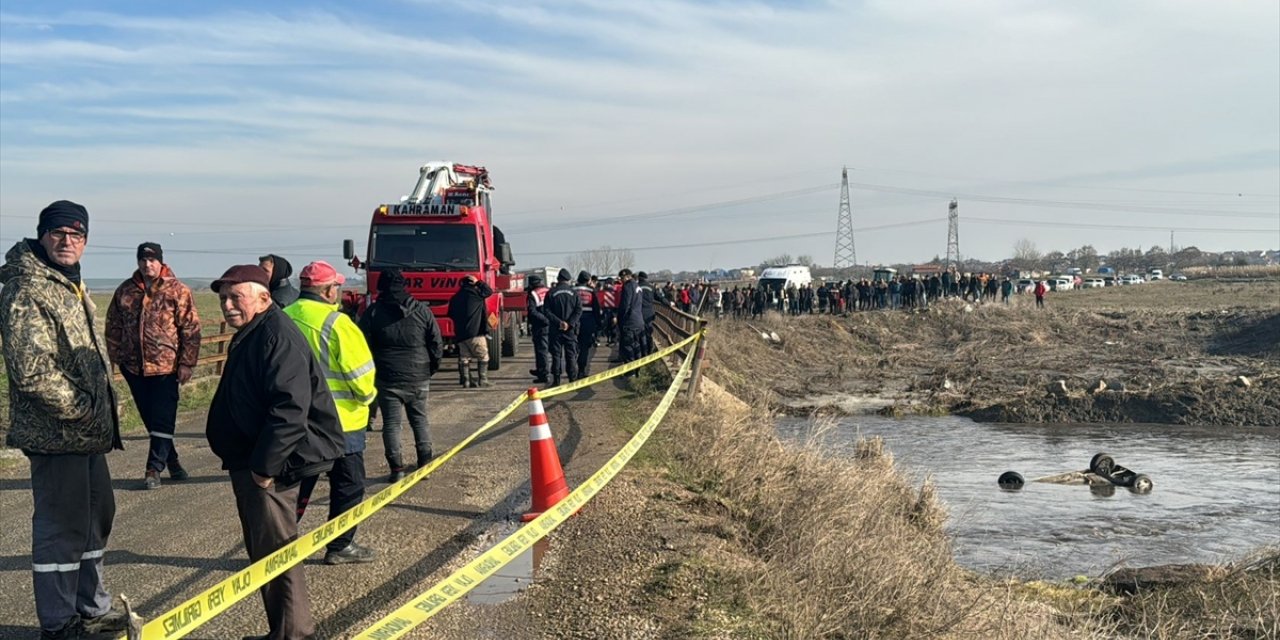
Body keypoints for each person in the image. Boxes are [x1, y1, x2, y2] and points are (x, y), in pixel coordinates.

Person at [0, 201, 130, 639]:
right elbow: (32, 371)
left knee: (96, 518)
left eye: (76, 234)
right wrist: (84, 410)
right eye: (57, 233)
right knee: (61, 528)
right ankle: (58, 623)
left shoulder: (69, 283)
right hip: (57, 434)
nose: (67, 241)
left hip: (87, 435)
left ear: (86, 240)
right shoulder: (27, 288)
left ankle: (91, 607)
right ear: (42, 235)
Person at [206, 264, 344, 640]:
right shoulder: (254, 331)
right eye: (223, 299)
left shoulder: (274, 335)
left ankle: (293, 635)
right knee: (266, 554)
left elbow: (289, 409)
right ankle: (284, 632)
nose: (228, 306)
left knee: (277, 555)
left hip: (269, 467)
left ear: (264, 298)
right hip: (252, 461)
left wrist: (264, 469)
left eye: (237, 297)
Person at [283, 261, 379, 565]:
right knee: (348, 485)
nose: (338, 291)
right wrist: (369, 398)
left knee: (296, 485)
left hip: (295, 421)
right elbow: (361, 376)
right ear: (327, 291)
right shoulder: (337, 324)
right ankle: (340, 545)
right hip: (342, 422)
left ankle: (281, 545)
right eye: (335, 286)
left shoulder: (282, 318)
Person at [106, 242, 202, 490]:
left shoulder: (178, 291)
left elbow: (191, 330)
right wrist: (112, 359)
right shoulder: (125, 291)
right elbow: (113, 325)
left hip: (166, 367)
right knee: (150, 417)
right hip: (133, 367)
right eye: (143, 260)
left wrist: (187, 363)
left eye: (152, 260)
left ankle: (153, 468)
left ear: (160, 261)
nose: (147, 265)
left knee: (163, 416)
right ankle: (173, 462)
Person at [360, 268, 443, 483]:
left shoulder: (374, 312)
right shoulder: (422, 311)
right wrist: (431, 368)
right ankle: (424, 465)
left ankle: (396, 469)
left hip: (386, 376)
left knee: (391, 424)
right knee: (420, 420)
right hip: (418, 374)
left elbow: (362, 344)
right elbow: (436, 342)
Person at [446, 273, 494, 388]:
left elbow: (450, 314)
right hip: (476, 332)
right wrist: (478, 282)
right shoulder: (476, 295)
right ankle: (483, 379)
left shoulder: (455, 298)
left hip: (461, 334)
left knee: (464, 358)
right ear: (472, 284)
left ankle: (466, 381)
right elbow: (489, 291)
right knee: (483, 356)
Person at [544, 268, 582, 386]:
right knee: (570, 354)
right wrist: (569, 323)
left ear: (558, 279)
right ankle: (572, 379)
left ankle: (556, 380)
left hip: (556, 329)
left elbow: (546, 311)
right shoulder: (574, 293)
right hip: (570, 330)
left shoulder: (551, 293)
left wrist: (559, 322)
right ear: (568, 280)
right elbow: (578, 310)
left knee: (556, 356)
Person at [572, 271, 601, 377]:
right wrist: (598, 324)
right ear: (588, 281)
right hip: (588, 322)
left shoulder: (572, 291)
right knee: (584, 348)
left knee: (574, 346)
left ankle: (572, 369)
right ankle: (581, 370)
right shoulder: (591, 291)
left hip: (573, 322)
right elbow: (596, 309)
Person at [615, 268, 645, 367]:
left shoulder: (627, 287)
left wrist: (619, 319)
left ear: (627, 276)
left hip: (629, 321)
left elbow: (625, 305)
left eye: (622, 278)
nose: (621, 280)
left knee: (628, 346)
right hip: (639, 320)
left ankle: (630, 370)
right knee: (637, 345)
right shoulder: (637, 286)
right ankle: (638, 368)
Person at [526, 274, 551, 383]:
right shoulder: (549, 291)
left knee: (541, 350)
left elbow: (532, 311)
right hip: (550, 324)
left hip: (540, 325)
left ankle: (543, 374)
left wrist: (544, 320)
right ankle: (541, 369)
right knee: (547, 350)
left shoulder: (533, 294)